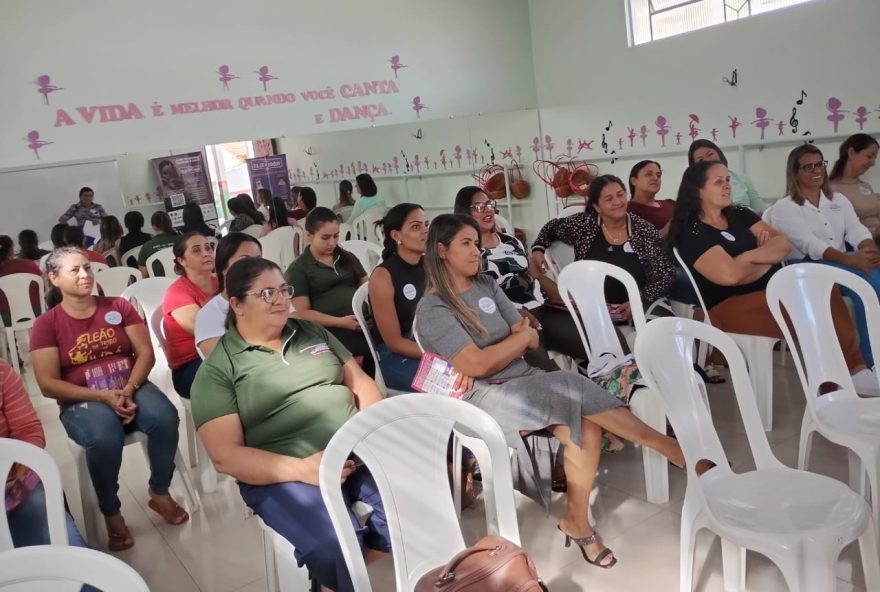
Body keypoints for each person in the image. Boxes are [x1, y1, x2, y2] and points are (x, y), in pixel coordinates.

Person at [415, 214, 695, 569]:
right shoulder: (435, 308)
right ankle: (670, 447)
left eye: (476, 242)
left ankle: (577, 522)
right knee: (572, 386)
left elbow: (521, 328)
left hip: (521, 376)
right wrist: (517, 341)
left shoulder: (486, 283)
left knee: (584, 422)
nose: (476, 251)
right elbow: (479, 366)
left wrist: (512, 343)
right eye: (466, 244)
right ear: (442, 251)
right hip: (482, 397)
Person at [191, 257, 387, 592]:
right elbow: (225, 456)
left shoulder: (310, 331)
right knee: (337, 542)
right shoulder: (219, 369)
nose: (282, 300)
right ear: (236, 304)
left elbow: (362, 385)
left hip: (353, 452)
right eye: (267, 294)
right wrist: (304, 469)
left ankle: (332, 579)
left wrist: (374, 439)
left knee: (414, 507)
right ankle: (333, 576)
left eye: (284, 290)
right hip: (281, 473)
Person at [666, 160, 879, 394]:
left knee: (823, 289)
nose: (727, 186)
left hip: (770, 294)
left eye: (728, 180)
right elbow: (729, 276)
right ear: (698, 190)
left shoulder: (739, 214)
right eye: (719, 182)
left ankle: (852, 372)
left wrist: (747, 258)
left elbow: (783, 243)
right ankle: (836, 380)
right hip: (727, 308)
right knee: (811, 311)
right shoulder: (692, 230)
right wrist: (765, 258)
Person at [30, 247, 189, 551]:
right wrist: (101, 396)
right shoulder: (47, 325)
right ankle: (111, 511)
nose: (84, 275)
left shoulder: (117, 306)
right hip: (82, 399)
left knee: (164, 417)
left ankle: (160, 491)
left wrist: (128, 389)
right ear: (54, 278)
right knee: (104, 435)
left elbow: (145, 353)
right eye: (74, 270)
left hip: (130, 385)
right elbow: (48, 383)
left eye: (87, 268)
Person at [454, 187, 589, 371]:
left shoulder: (512, 241)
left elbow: (537, 277)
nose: (487, 210)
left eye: (489, 204)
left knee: (596, 342)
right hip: (513, 322)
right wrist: (515, 315)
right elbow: (476, 299)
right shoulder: (470, 254)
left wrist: (566, 298)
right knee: (548, 375)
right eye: (478, 206)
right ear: (464, 213)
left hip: (543, 310)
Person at [771, 144, 880, 367]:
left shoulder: (838, 200)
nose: (816, 170)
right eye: (808, 167)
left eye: (819, 164)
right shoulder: (784, 207)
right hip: (806, 267)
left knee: (871, 277)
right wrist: (851, 259)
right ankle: (872, 361)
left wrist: (870, 250)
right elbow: (809, 244)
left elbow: (855, 229)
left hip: (841, 262)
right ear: (795, 172)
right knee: (868, 283)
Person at [531, 177, 674, 320]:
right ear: (597, 207)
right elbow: (551, 228)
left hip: (643, 301)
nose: (618, 202)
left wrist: (638, 301)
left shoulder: (644, 230)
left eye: (620, 195)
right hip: (593, 305)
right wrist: (538, 248)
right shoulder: (585, 224)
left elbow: (663, 275)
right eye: (609, 199)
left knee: (658, 333)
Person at [286, 207, 375, 377]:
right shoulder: (299, 269)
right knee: (367, 350)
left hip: (362, 322)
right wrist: (341, 322)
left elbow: (368, 286)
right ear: (309, 235)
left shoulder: (345, 257)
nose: (332, 243)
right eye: (325, 238)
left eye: (336, 236)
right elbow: (303, 313)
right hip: (330, 329)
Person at [369, 204, 430, 390]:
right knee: (454, 387)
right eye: (416, 227)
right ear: (396, 236)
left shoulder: (430, 265)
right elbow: (394, 343)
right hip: (396, 354)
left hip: (429, 341)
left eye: (426, 225)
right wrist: (439, 354)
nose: (425, 231)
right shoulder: (383, 276)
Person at [161, 232, 217, 398]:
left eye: (208, 248)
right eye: (197, 250)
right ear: (182, 260)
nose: (206, 253)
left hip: (221, 352)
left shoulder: (221, 282)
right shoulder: (177, 294)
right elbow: (207, 330)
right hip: (191, 366)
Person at [194, 233, 263, 357]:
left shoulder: (273, 296)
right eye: (244, 261)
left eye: (259, 260)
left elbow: (297, 332)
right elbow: (224, 361)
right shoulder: (209, 315)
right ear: (223, 267)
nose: (254, 267)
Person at [689, 139, 764, 212]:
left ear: (719, 153)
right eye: (700, 160)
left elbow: (760, 207)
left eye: (710, 154)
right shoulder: (695, 187)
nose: (707, 160)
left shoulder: (740, 177)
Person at [829, 133, 880, 239]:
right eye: (869, 156)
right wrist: (875, 232)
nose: (873, 163)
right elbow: (839, 232)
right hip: (862, 246)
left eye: (874, 158)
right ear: (851, 153)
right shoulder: (832, 189)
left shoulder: (866, 186)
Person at [0, 234, 42, 326]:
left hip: (6, 318)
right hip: (36, 311)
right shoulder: (29, 264)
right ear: (11, 249)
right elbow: (43, 287)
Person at [626, 161, 674, 236]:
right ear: (634, 181)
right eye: (649, 174)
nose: (655, 178)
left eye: (658, 175)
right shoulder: (627, 211)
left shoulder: (670, 204)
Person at [137, 211, 178, 277]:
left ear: (154, 227)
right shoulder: (183, 240)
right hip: (183, 282)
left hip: (159, 284)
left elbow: (143, 274)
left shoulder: (146, 247)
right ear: (170, 223)